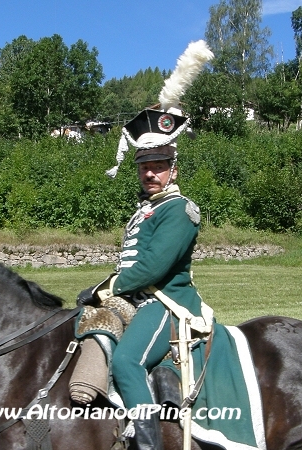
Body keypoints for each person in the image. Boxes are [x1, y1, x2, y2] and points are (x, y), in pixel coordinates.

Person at [77, 108, 206, 450]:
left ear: (172, 170)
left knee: (127, 361)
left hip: (167, 300)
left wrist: (105, 287)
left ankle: (149, 445)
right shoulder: (147, 208)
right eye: (144, 167)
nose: (150, 173)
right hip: (137, 298)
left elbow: (152, 269)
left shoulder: (179, 209)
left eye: (158, 167)